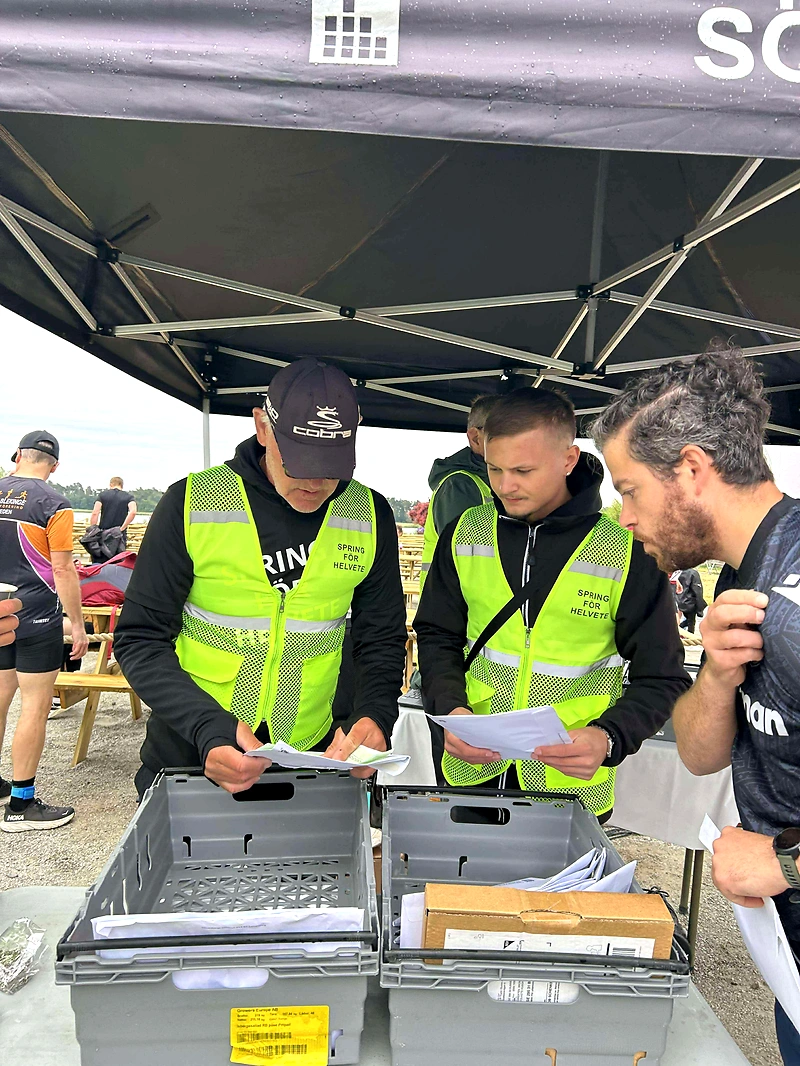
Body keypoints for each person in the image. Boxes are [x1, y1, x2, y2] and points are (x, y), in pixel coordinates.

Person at [590, 347, 800, 1066]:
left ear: (689, 469)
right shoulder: (743, 582)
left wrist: (787, 862)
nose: (623, 517)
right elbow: (702, 754)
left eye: (629, 490)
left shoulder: (795, 602)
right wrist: (714, 676)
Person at [115, 359, 408, 798]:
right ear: (262, 427)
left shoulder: (369, 514)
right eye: (300, 463)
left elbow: (381, 637)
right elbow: (139, 639)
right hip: (192, 750)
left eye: (331, 468)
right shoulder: (192, 502)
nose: (315, 482)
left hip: (315, 755)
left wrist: (374, 713)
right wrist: (206, 727)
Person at [415, 388, 689, 818]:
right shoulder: (466, 533)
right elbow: (436, 636)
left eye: (523, 470)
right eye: (494, 468)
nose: (505, 485)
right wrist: (449, 707)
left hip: (570, 792)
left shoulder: (625, 552)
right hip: (471, 776)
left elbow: (664, 677)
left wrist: (609, 737)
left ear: (568, 459)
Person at [0, 431, 88, 829]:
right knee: (34, 705)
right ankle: (21, 805)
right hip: (36, 615)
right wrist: (79, 625)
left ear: (17, 455)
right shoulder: (54, 504)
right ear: (54, 467)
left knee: (0, 696)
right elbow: (63, 568)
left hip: (1, 612)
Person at [420, 394, 500, 589]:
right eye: (505, 432)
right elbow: (466, 563)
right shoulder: (459, 486)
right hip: (454, 611)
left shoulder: (494, 481)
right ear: (475, 438)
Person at [90, 477, 137, 546]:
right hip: (119, 533)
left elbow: (95, 512)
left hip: (103, 531)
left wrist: (93, 529)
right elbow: (133, 512)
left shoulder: (102, 495)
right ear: (121, 485)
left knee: (102, 555)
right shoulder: (129, 497)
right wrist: (122, 528)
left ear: (111, 484)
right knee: (119, 556)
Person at [671, 567, 707, 632]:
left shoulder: (674, 572)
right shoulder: (693, 573)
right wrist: (700, 610)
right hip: (688, 605)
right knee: (690, 627)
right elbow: (697, 591)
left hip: (675, 602)